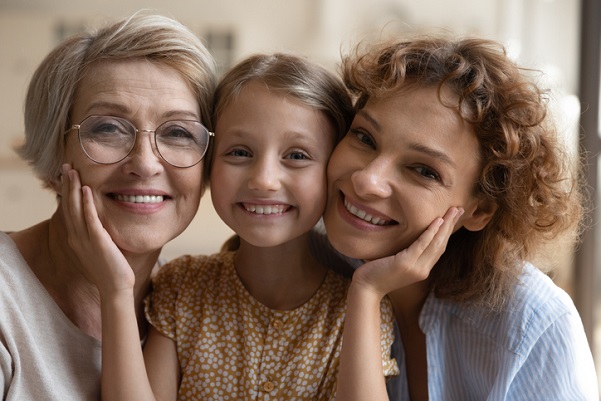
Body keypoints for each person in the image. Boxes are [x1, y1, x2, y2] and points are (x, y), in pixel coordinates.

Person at [64, 52, 400, 400]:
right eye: (240, 152)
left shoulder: (359, 310)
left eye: (297, 156)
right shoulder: (182, 288)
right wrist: (116, 290)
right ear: (208, 164)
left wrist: (367, 293)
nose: (264, 180)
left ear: (332, 171)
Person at [324, 36, 599, 400]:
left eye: (423, 170)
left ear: (479, 210)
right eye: (364, 136)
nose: (367, 180)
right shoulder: (312, 267)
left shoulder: (532, 323)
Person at [0, 12, 216, 400]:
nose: (146, 164)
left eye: (178, 132)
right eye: (108, 128)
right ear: (54, 156)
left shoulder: (189, 310)